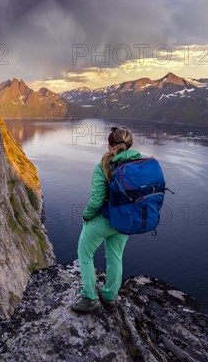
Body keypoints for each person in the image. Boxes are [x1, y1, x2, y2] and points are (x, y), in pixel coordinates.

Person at [71, 126, 141, 315]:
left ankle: (89, 298)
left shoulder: (104, 165)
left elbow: (96, 199)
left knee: (85, 255)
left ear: (110, 143)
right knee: (115, 258)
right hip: (126, 221)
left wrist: (87, 215)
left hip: (105, 219)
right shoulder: (139, 163)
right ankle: (110, 298)